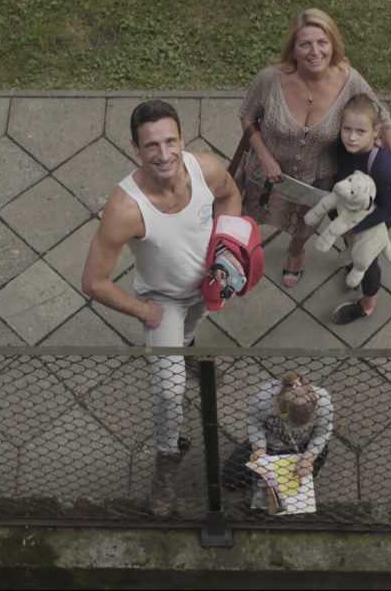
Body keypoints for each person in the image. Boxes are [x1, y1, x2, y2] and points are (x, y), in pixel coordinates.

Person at [81, 99, 242, 516]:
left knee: (191, 331)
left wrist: (227, 251)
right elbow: (93, 282)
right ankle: (166, 463)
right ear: (135, 148)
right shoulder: (125, 208)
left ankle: (186, 347)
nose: (165, 153)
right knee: (169, 393)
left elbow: (231, 195)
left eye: (171, 141)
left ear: (182, 139)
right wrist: (142, 311)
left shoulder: (204, 169)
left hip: (207, 288)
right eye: (152, 145)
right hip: (162, 302)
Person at [237, 8, 391, 287]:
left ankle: (295, 253)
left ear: (333, 45)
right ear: (293, 49)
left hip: (317, 179)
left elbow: (384, 118)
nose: (314, 51)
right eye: (305, 44)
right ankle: (243, 253)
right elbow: (247, 115)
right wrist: (265, 157)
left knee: (306, 222)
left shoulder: (350, 81)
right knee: (255, 213)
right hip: (267, 174)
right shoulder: (269, 79)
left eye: (322, 42)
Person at [329, 93, 391, 324]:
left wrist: (354, 227)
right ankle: (355, 261)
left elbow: (388, 210)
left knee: (369, 263)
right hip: (350, 216)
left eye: (360, 132)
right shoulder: (343, 148)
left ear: (376, 132)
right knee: (354, 250)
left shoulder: (382, 165)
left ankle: (367, 304)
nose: (351, 138)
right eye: (346, 129)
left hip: (372, 223)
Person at [222, 372, 334, 508]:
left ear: (315, 409)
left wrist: (309, 458)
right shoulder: (264, 397)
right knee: (230, 481)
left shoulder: (324, 401)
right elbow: (254, 421)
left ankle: (312, 466)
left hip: (303, 446)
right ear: (279, 408)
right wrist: (259, 448)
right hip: (270, 443)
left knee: (294, 491)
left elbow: (323, 432)